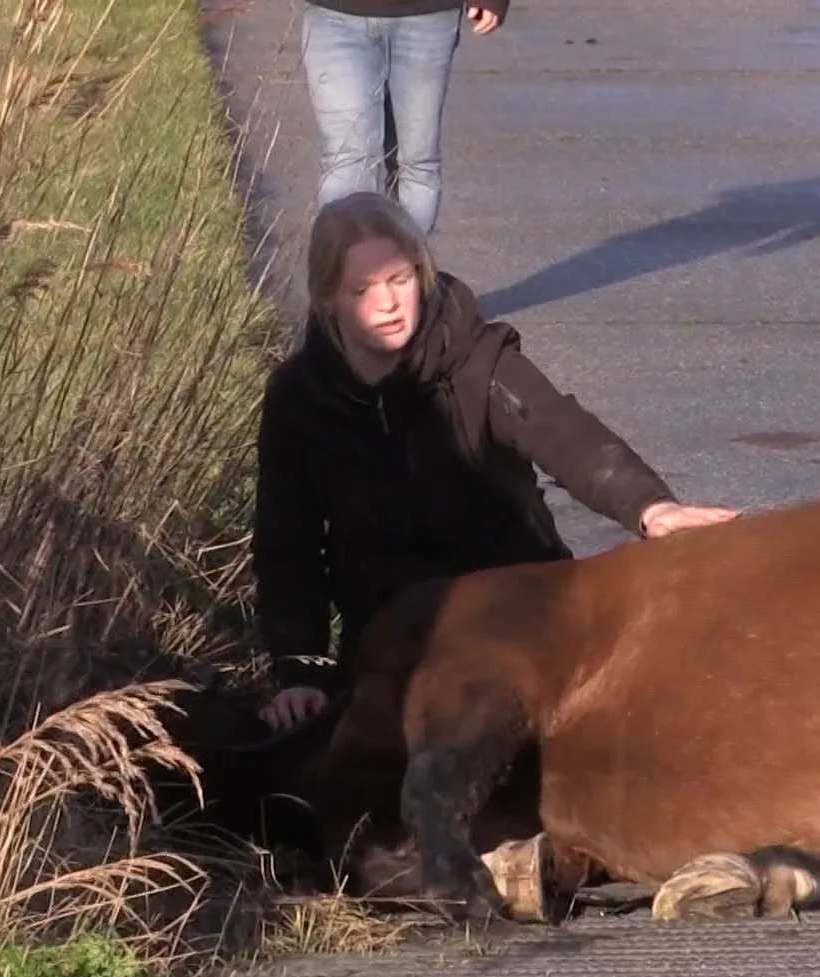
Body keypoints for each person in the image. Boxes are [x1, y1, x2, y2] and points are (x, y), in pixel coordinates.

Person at [252, 192, 739, 731]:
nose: (388, 303)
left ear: (422, 274)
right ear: (328, 299)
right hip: (394, 635)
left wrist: (649, 505)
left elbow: (563, 434)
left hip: (518, 604)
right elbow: (286, 547)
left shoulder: (479, 359)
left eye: (401, 280)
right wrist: (298, 671)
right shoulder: (299, 398)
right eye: (363, 289)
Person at [300, 0, 505, 234]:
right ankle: (353, 267)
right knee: (349, 159)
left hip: (427, 16)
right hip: (334, 15)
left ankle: (406, 267)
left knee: (417, 160)